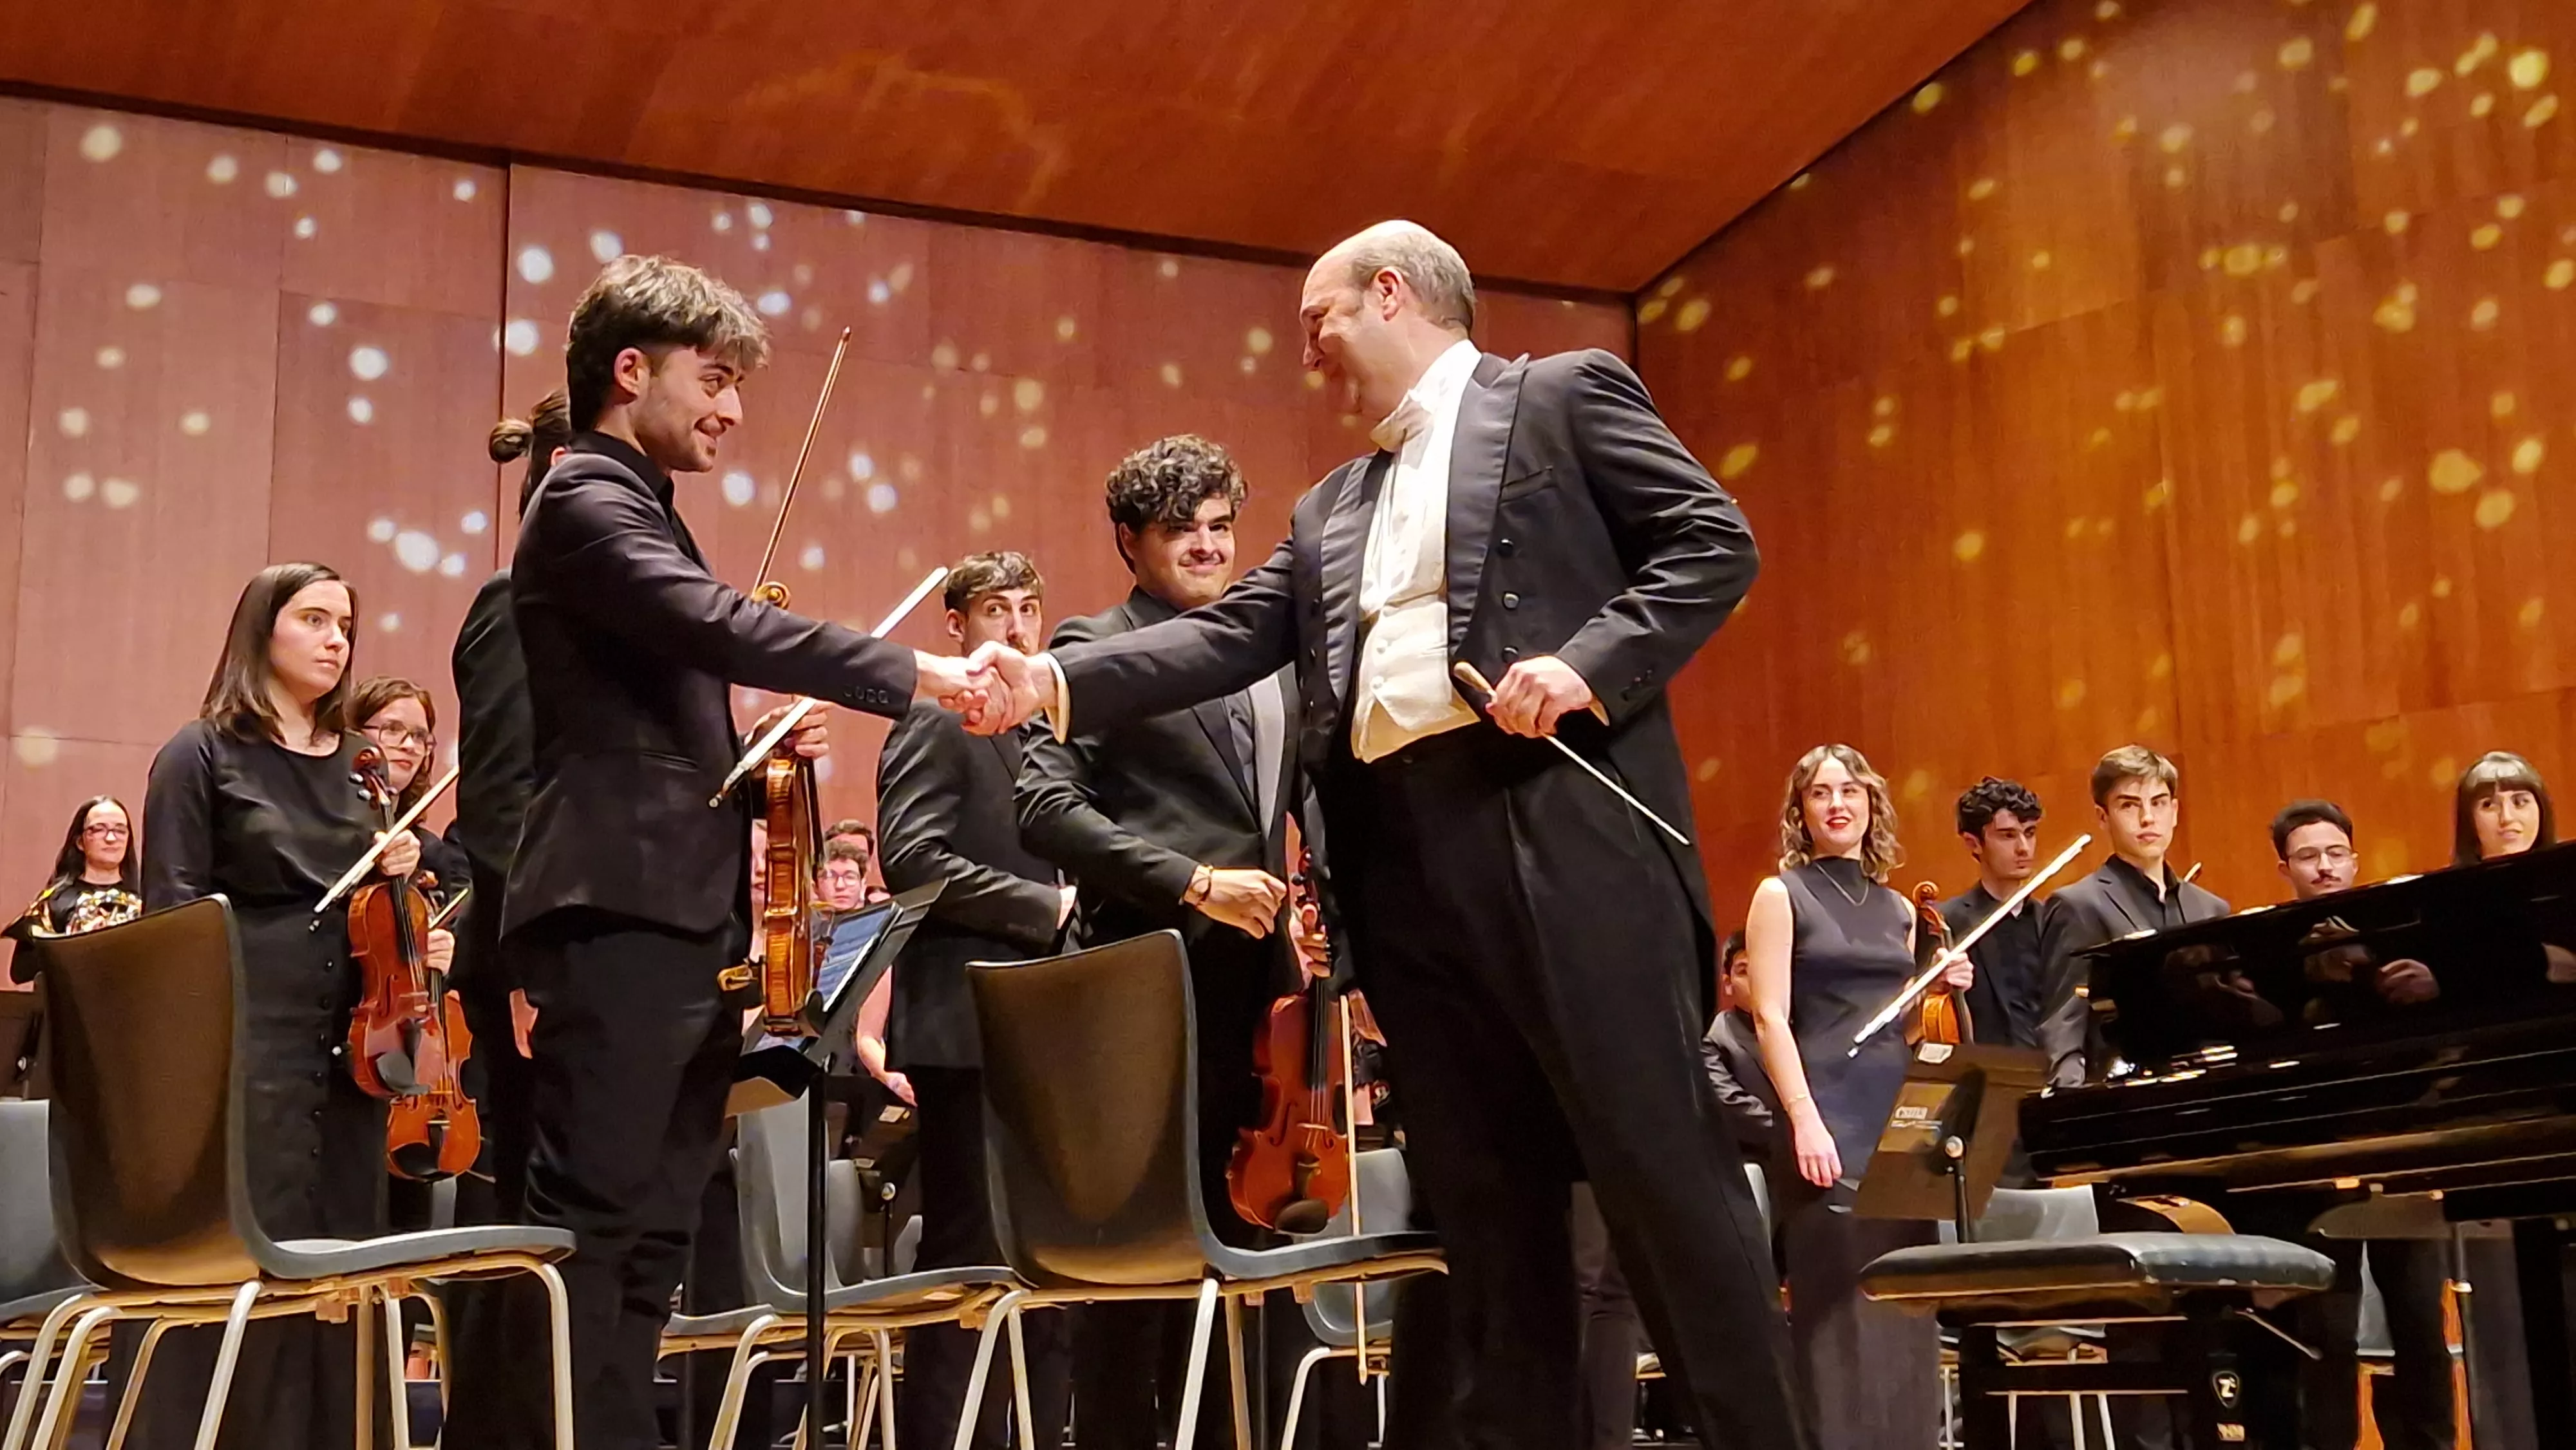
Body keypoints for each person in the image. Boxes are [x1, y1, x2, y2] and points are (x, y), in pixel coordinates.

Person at [975, 221, 1803, 1450]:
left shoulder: (1564, 394)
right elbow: (1220, 638)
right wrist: (1045, 685)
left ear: (1390, 293)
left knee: (1662, 1184)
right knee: (1485, 1216)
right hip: (1406, 869)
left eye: (1320, 321)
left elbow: (1711, 541)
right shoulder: (1327, 508)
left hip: (1557, 837)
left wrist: (1583, 665)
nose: (1309, 351)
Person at [502, 254, 993, 1450]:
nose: (729, 410)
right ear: (632, 371)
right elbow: (719, 623)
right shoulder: (583, 498)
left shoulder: (642, 507)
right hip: (617, 911)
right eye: (714, 380)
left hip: (675, 922)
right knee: (596, 1229)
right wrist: (911, 670)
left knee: (652, 1235)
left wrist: (749, 739)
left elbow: (670, 690)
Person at [1015, 434, 1307, 1450]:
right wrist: (1192, 882)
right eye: (1182, 528)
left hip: (1263, 1007)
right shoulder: (1089, 650)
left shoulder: (1271, 656)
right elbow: (1043, 809)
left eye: (1222, 526)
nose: (1207, 546)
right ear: (1129, 540)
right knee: (1135, 1280)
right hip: (1140, 999)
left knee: (1249, 1260)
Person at [131, 562, 449, 1450]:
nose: (335, 640)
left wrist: (399, 880)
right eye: (313, 619)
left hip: (348, 1052)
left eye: (345, 624)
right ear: (261, 632)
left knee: (339, 1276)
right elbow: (173, 923)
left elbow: (384, 925)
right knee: (239, 1265)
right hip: (243, 1050)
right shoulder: (200, 754)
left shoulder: (361, 766)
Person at [871, 550, 1075, 1450]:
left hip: (1051, 1028)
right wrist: (1051, 907)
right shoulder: (936, 716)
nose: (1020, 628)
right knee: (970, 1261)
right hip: (965, 1026)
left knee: (1053, 1267)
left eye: (1031, 608)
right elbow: (913, 862)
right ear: (955, 624)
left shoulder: (1048, 733)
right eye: (998, 610)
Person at [1741, 745, 1951, 1449]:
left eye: (1850, 791)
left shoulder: (1896, 906)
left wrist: (1941, 989)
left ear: (1871, 803)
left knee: (1906, 1307)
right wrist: (1803, 1118)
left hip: (1895, 1118)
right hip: (1823, 1113)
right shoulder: (1781, 894)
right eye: (1820, 793)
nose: (1837, 804)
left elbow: (1902, 1021)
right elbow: (1770, 1015)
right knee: (1838, 1317)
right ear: (1801, 811)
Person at [438, 389, 568, 1450]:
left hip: (577, 958)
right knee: (532, 1216)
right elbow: (500, 796)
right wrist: (531, 960)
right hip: (538, 963)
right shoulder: (511, 597)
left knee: (561, 1224)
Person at [2261, 801, 2454, 1450]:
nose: (2324, 866)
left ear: (2353, 857)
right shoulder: (2272, 951)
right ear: (2284, 866)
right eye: (2308, 855)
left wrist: (2379, 971)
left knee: (2420, 1323)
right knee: (2327, 1327)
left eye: (2334, 851)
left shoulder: (2402, 926)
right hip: (2319, 1153)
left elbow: (2428, 1034)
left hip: (2399, 1144)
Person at [2445, 752, 2554, 1450]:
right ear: (2469, 822)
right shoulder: (2449, 906)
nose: (2507, 816)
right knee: (2501, 1320)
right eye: (2489, 804)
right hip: (2489, 1127)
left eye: (2519, 799)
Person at [2036, 746, 2232, 1089]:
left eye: (2158, 803)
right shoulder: (2078, 904)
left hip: (2207, 1091)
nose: (2147, 818)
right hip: (2125, 1097)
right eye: (2129, 805)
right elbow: (2063, 1020)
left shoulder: (2212, 909)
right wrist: (2071, 1102)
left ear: (2174, 812)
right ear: (2103, 817)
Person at [3, 796, 144, 1098]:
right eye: (100, 829)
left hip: (131, 1030)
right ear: (80, 841)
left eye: (120, 830)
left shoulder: (151, 896)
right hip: (68, 1033)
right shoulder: (55, 900)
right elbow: (20, 971)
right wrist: (74, 946)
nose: (111, 838)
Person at [1936, 778, 2050, 1050]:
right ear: (1973, 843)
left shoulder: (2051, 919)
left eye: (2030, 832)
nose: (2024, 848)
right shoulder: (1947, 922)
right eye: (2008, 836)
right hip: (1987, 1077)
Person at [1701, 931, 1779, 1159]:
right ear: (1728, 984)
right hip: (1762, 1158)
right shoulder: (1715, 1039)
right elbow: (1734, 1108)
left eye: (1766, 968)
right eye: (1744, 971)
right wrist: (1801, 1129)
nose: (1757, 979)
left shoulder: (1809, 1023)